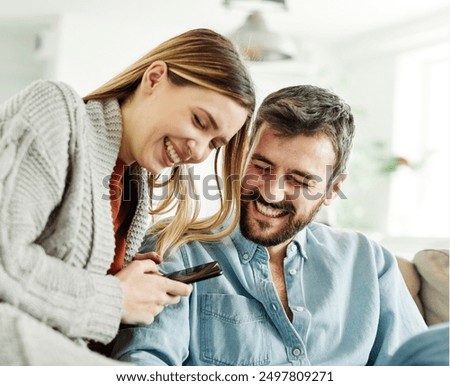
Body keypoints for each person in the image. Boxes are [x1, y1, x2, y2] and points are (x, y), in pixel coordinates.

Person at [111, 85, 428, 366]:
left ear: (332, 189)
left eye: (298, 180)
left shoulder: (370, 263)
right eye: (261, 167)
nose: (271, 191)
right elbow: (144, 365)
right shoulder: (178, 251)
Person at [0, 28, 256, 365]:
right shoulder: (56, 110)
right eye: (199, 121)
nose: (198, 150)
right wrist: (115, 298)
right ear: (154, 79)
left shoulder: (135, 189)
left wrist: (136, 291)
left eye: (214, 144)